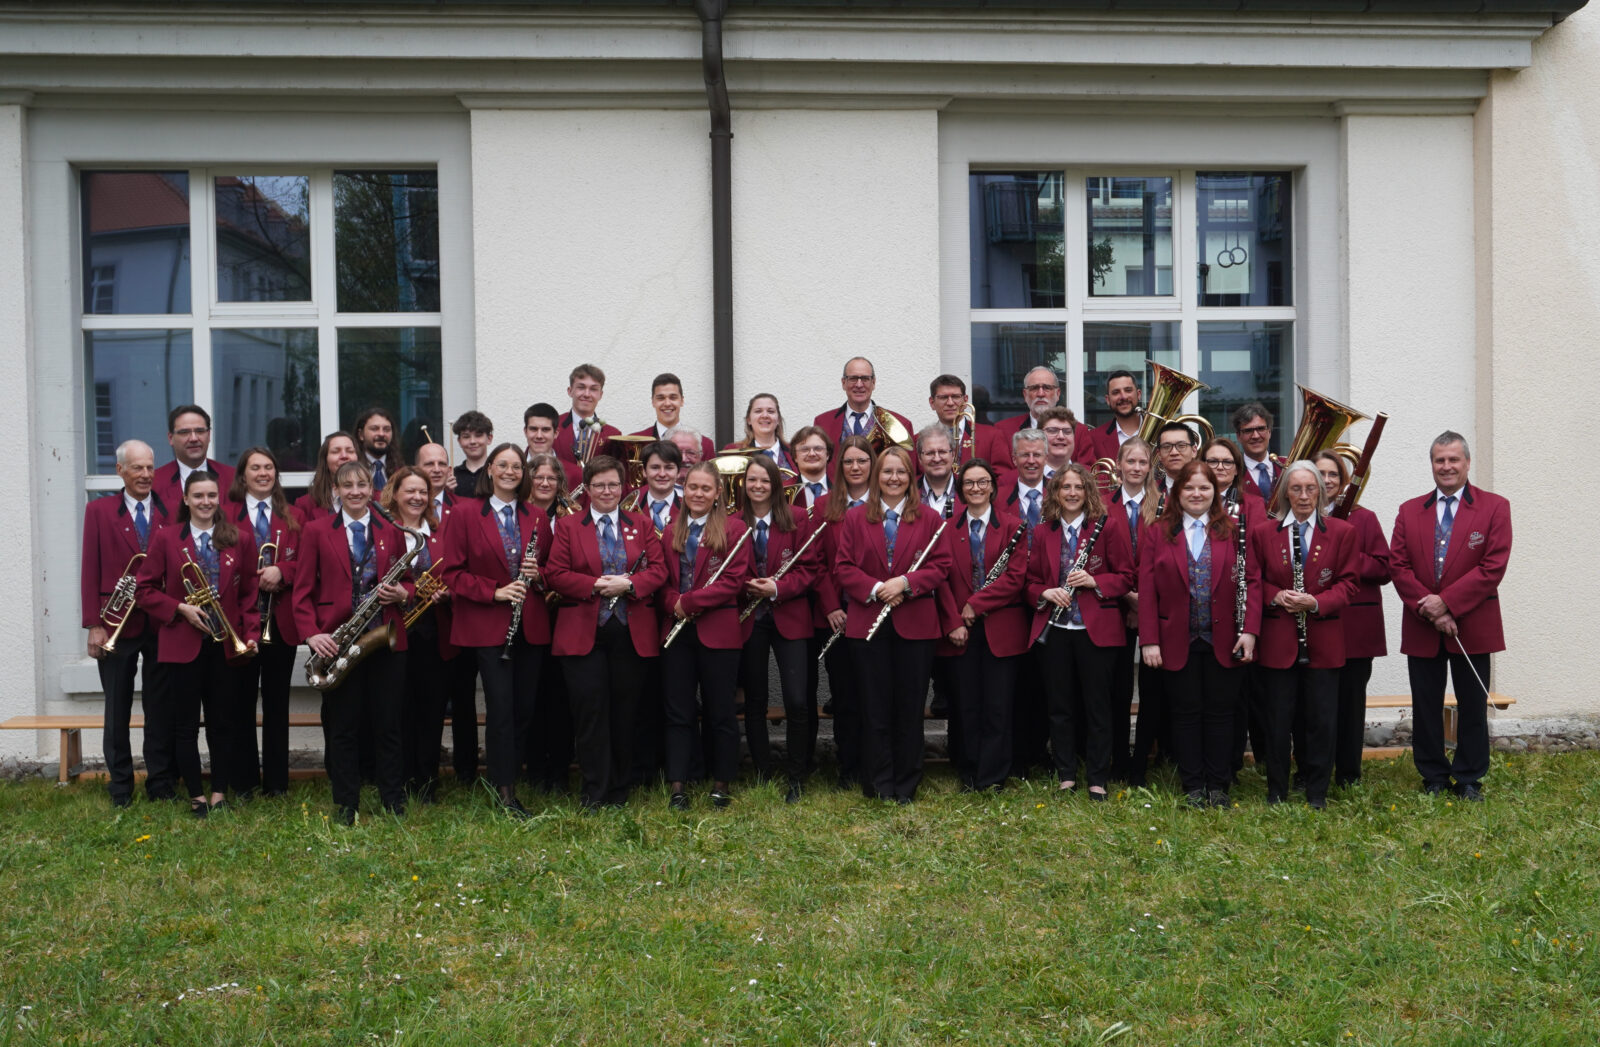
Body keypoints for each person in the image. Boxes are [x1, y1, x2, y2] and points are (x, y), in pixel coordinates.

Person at [1388, 431, 1510, 801]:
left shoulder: (1494, 507)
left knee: (1472, 705)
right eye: (1439, 460)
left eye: (1453, 459)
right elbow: (1398, 566)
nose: (1446, 466)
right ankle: (1433, 776)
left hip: (1473, 623)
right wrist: (1432, 609)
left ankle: (1469, 777)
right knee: (1425, 705)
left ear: (1467, 463)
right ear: (1432, 464)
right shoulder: (1409, 510)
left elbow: (1492, 566)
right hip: (1422, 624)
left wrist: (1448, 604)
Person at [545, 455, 668, 809]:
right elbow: (555, 573)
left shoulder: (642, 524)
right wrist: (596, 585)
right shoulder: (568, 526)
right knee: (590, 713)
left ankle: (619, 789)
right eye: (599, 485)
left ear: (623, 487)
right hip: (583, 634)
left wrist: (629, 584)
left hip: (631, 634)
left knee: (625, 714)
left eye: (613, 484)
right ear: (587, 488)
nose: (607, 491)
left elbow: (659, 570)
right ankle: (594, 790)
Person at [292, 461, 412, 824]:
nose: (356, 492)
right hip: (338, 641)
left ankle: (393, 800)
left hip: (383, 639)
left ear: (371, 489)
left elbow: (407, 581)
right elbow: (302, 591)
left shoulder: (392, 529)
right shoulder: (315, 530)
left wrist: (402, 593)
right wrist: (312, 633)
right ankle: (346, 804)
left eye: (362, 485)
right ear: (336, 490)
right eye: (348, 486)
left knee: (389, 725)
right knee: (343, 727)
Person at [135, 469, 260, 818]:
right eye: (199, 496)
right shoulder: (166, 538)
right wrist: (179, 608)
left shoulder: (240, 538)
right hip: (182, 644)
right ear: (186, 499)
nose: (206, 502)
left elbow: (249, 593)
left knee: (223, 723)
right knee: (185, 726)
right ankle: (195, 795)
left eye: (211, 495)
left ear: (219, 499)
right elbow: (144, 590)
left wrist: (251, 634)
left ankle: (219, 792)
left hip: (225, 645)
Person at [1139, 460, 1260, 808]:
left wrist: (1250, 632)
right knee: (1185, 714)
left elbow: (1253, 581)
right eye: (1189, 487)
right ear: (1177, 492)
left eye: (1204, 487)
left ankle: (1218, 784)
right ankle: (1193, 784)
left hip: (1226, 639)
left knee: (1222, 715)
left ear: (1214, 492)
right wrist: (1150, 640)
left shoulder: (1234, 530)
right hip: (1176, 638)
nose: (1196, 493)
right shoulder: (1158, 532)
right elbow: (1147, 590)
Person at [836, 445, 953, 802]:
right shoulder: (855, 518)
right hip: (867, 624)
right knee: (874, 707)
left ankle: (906, 784)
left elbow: (941, 565)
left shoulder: (929, 518)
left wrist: (905, 583)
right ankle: (878, 783)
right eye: (887, 471)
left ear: (910, 477)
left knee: (908, 708)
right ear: (877, 476)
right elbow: (843, 567)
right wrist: (877, 589)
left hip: (915, 625)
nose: (894, 478)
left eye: (901, 471)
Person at [442, 444, 551, 816]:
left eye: (516, 466)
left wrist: (540, 575)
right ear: (489, 469)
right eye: (502, 464)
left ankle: (508, 776)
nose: (509, 471)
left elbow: (552, 570)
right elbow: (452, 573)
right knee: (501, 708)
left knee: (524, 710)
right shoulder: (464, 513)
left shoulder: (537, 516)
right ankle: (505, 792)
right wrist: (495, 592)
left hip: (530, 625)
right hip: (488, 627)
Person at [1249, 460, 1358, 808]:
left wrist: (1316, 602)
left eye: (1311, 489)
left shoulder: (1342, 532)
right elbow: (1254, 581)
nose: (1304, 496)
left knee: (1321, 722)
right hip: (1279, 642)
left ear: (1322, 493)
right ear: (1285, 493)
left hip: (1323, 641)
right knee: (1277, 721)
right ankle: (1276, 791)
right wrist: (1276, 595)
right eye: (1296, 489)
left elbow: (1349, 584)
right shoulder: (1264, 533)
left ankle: (1316, 791)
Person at [1027, 464, 1136, 800]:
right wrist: (1045, 592)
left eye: (1078, 487)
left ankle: (1098, 778)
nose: (1072, 493)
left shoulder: (1107, 527)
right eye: (1065, 487)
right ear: (1055, 493)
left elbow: (1126, 576)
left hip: (1095, 630)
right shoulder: (1043, 532)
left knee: (1098, 706)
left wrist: (1094, 581)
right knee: (1059, 706)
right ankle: (1066, 776)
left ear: (1088, 491)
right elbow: (1030, 582)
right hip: (1056, 630)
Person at [81, 439, 171, 807]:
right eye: (137, 468)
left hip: (161, 624)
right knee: (117, 709)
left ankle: (161, 782)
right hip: (115, 623)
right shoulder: (99, 511)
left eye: (150, 467)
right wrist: (93, 624)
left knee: (160, 709)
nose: (146, 474)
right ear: (120, 471)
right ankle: (120, 785)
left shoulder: (171, 509)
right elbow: (90, 568)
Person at [659, 461, 753, 809]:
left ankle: (721, 782)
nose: (698, 494)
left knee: (721, 711)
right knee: (678, 711)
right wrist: (673, 603)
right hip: (677, 634)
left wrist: (688, 602)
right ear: (684, 491)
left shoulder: (734, 529)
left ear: (717, 494)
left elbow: (733, 582)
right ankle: (678, 784)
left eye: (705, 488)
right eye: (692, 487)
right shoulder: (671, 531)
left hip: (718, 632)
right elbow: (662, 582)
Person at [936, 457, 1028, 791]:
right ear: (961, 490)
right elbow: (940, 579)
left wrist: (975, 604)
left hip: (1001, 630)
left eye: (982, 482)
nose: (976, 488)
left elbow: (1015, 578)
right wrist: (953, 622)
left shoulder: (1014, 526)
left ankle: (993, 776)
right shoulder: (946, 529)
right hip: (960, 630)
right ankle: (968, 771)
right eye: (969, 483)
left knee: (998, 707)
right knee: (966, 705)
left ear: (992, 487)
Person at [739, 455, 820, 802]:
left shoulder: (797, 518)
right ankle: (762, 770)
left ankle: (797, 774)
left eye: (765, 480)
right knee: (755, 700)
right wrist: (748, 585)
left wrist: (777, 588)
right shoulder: (732, 522)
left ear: (775, 485)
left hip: (790, 615)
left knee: (798, 700)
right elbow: (725, 569)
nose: (758, 486)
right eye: (752, 480)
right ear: (744, 484)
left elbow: (809, 569)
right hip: (750, 620)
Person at [226, 446, 302, 799]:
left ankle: (276, 783)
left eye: (269, 467)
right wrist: (254, 576)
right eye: (255, 468)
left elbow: (307, 563)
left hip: (280, 624)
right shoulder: (225, 515)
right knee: (239, 704)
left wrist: (282, 571)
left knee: (277, 706)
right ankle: (243, 782)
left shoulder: (294, 516)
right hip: (240, 625)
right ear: (243, 475)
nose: (263, 473)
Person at [376, 466, 454, 804]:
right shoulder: (382, 531)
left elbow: (456, 572)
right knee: (396, 710)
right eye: (410, 491)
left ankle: (426, 784)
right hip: (393, 632)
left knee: (431, 710)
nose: (417, 497)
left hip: (433, 632)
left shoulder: (440, 532)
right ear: (394, 494)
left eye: (423, 492)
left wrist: (447, 592)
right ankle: (398, 780)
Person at [1314, 450, 1391, 788]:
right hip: (1316, 625)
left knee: (1350, 703)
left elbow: (1384, 567)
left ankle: (1348, 774)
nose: (1327, 480)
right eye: (1321, 473)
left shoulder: (1364, 518)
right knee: (1316, 704)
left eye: (1333, 474)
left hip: (1355, 629)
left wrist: (1346, 554)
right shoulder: (1299, 517)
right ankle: (1315, 770)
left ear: (1344, 481)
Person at [810, 434, 874, 781]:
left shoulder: (884, 502)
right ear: (839, 466)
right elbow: (816, 563)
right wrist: (832, 607)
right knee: (845, 695)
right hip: (838, 617)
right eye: (848, 461)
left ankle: (875, 762)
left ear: (872, 464)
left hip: (874, 612)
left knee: (874, 693)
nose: (855, 467)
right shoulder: (824, 506)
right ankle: (849, 767)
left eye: (862, 460)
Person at [1109, 437, 1162, 783]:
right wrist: (1128, 597)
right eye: (1131, 461)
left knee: (1152, 690)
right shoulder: (1102, 504)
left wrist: (1142, 601)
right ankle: (1118, 759)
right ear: (1119, 464)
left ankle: (1141, 762)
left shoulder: (1164, 504)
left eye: (1143, 462)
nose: (1137, 468)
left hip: (1153, 604)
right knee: (1117, 689)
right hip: (1114, 606)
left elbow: (1165, 557)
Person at [992, 366, 1095, 470]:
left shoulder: (1079, 431)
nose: (1040, 394)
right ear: (1025, 394)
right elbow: (1002, 474)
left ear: (1058, 393)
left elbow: (1089, 472)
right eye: (1034, 388)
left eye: (1047, 388)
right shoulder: (1003, 430)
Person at [813, 357, 914, 462]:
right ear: (843, 383)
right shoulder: (822, 423)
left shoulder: (902, 425)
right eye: (853, 378)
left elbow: (909, 469)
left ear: (873, 382)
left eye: (865, 379)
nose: (859, 385)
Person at [153, 405, 236, 509]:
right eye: (184, 432)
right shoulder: (154, 483)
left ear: (209, 435)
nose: (193, 438)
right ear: (170, 438)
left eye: (200, 431)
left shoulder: (233, 478)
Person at [631, 373, 716, 461]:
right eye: (661, 398)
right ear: (653, 402)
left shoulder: (705, 444)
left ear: (682, 401)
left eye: (673, 397)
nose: (667, 403)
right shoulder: (634, 443)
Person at [554, 364, 621, 468]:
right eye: (581, 387)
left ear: (600, 395)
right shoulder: (552, 426)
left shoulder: (613, 435)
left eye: (593, 389)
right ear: (570, 391)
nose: (587, 394)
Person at [927, 375, 1001, 465]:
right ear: (932, 403)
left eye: (956, 397)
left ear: (965, 401)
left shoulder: (992, 436)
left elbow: (1001, 472)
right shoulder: (919, 440)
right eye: (943, 397)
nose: (950, 403)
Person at [294, 431, 359, 523]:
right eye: (336, 451)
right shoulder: (305, 504)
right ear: (325, 460)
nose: (344, 456)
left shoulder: (375, 499)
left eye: (350, 451)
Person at [724, 393, 796, 472]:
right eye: (758, 411)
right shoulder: (733, 452)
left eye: (770, 411)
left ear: (778, 419)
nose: (765, 415)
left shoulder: (794, 451)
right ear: (749, 420)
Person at [1087, 369, 1145, 467]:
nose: (1123, 397)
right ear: (1108, 400)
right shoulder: (1094, 438)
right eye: (1116, 392)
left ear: (1139, 394)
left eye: (1128, 390)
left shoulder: (1160, 433)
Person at [999, 428, 1049, 528]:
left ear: (1046, 459)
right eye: (1025, 455)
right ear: (1014, 459)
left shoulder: (1060, 494)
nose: (1031, 461)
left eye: (1037, 455)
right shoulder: (998, 499)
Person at [1234, 403, 1279, 508]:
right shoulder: (1231, 471)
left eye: (1261, 429)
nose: (1255, 436)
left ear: (1269, 432)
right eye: (1248, 431)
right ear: (1238, 436)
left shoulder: (1287, 466)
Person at [354, 407, 402, 494]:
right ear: (361, 435)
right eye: (374, 429)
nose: (381, 434)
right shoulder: (352, 468)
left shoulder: (400, 471)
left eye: (386, 429)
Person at [915, 425, 958, 520]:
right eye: (930, 453)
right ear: (920, 458)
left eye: (942, 452)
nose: (937, 459)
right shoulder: (907, 491)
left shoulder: (968, 488)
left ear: (953, 455)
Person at [451, 410, 494, 496]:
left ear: (489, 439)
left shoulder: (498, 472)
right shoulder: (452, 476)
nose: (472, 441)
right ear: (459, 441)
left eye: (478, 435)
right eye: (466, 436)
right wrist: (446, 492)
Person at [789, 427, 833, 510]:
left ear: (827, 454)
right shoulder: (782, 491)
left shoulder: (842, 489)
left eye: (818, 448)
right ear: (795, 456)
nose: (812, 454)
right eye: (805, 449)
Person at [1202, 438, 1246, 511]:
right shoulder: (1188, 500)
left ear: (1237, 469)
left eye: (1227, 462)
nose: (1220, 467)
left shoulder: (1254, 504)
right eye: (1213, 461)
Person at [1154, 422, 1198, 494]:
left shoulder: (1210, 490)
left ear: (1194, 451)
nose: (1174, 452)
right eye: (1167, 447)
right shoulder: (1148, 492)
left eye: (1181, 446)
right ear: (1159, 454)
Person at [1037, 406, 1080, 479]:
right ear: (1039, 436)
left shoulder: (1091, 477)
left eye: (1067, 431)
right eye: (1052, 431)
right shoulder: (1022, 478)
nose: (1061, 436)